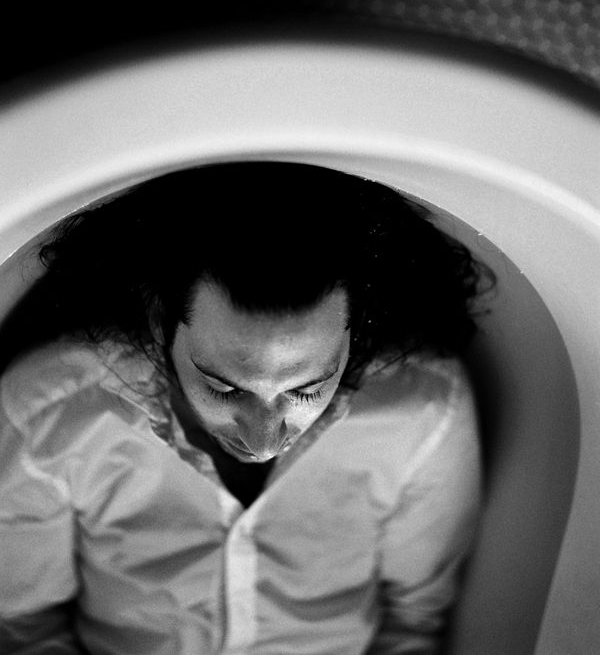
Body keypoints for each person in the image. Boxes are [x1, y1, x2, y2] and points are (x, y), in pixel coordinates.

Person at [0, 162, 493, 654]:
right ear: (158, 321)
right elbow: (24, 627)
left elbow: (414, 620)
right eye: (225, 389)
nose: (264, 442)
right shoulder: (51, 414)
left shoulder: (424, 411)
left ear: (358, 330)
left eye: (306, 390)